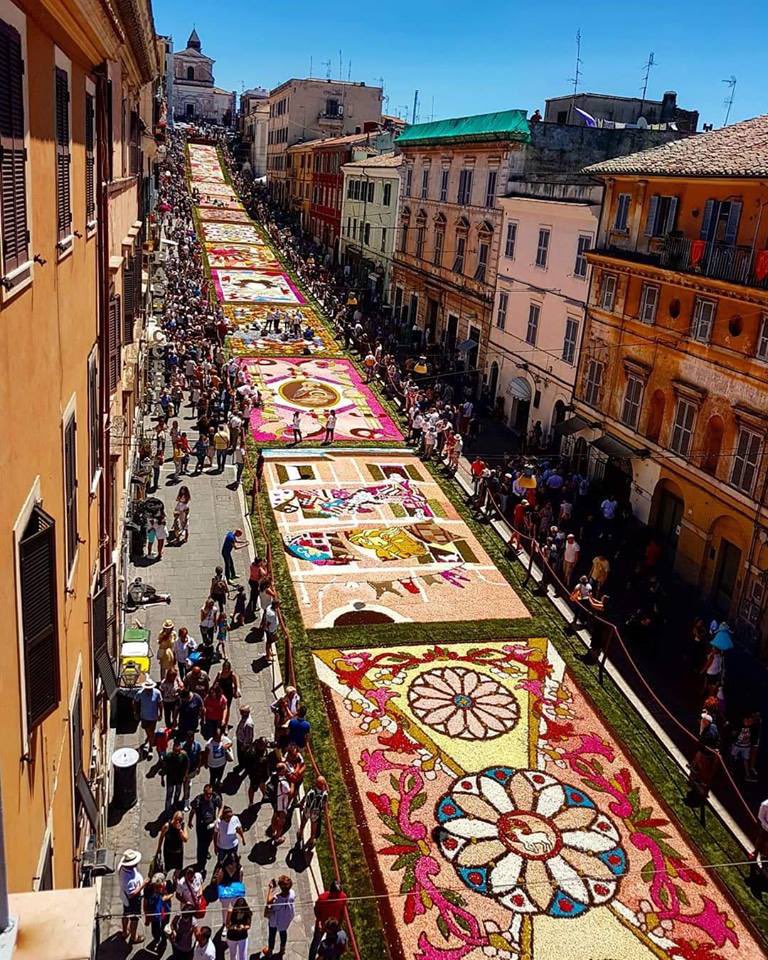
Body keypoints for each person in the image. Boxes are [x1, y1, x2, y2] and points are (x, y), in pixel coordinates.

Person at [309, 880, 348, 960]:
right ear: (331, 891)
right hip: (322, 924)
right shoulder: (322, 898)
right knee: (316, 942)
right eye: (336, 894)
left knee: (330, 944)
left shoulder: (343, 897)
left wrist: (339, 924)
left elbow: (342, 911)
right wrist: (319, 921)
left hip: (333, 926)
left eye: (339, 893)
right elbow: (316, 910)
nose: (338, 895)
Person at [189, 782, 222, 870]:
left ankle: (206, 850)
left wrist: (217, 818)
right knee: (200, 844)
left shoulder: (215, 797)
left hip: (211, 824)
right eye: (207, 794)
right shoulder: (198, 800)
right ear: (204, 792)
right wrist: (190, 821)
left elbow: (221, 806)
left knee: (209, 839)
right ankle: (200, 862)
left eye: (210, 794)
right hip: (201, 825)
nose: (209, 796)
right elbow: (193, 811)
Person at [263, 876, 296, 958]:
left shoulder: (277, 898)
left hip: (275, 919)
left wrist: (270, 889)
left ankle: (270, 951)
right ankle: (282, 950)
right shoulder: (292, 893)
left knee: (272, 934)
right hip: (285, 918)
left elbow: (269, 902)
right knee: (283, 933)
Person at [118, 849, 146, 944]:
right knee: (134, 918)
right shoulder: (129, 880)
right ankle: (134, 937)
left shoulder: (121, 867)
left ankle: (125, 932)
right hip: (133, 900)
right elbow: (131, 895)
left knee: (125, 914)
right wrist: (142, 885)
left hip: (124, 897)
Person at [143, 872, 173, 952]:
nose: (156, 888)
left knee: (165, 927)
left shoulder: (169, 884)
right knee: (155, 929)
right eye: (155, 886)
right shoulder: (148, 889)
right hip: (154, 911)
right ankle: (156, 939)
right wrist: (147, 917)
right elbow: (145, 904)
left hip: (165, 910)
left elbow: (172, 893)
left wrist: (166, 897)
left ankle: (163, 942)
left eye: (158, 886)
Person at [298, 775, 328, 850]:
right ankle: (311, 840)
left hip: (308, 809)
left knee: (303, 822)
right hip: (316, 811)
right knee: (314, 826)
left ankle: (300, 833)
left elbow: (305, 797)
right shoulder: (324, 794)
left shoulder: (311, 791)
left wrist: (301, 803)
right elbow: (324, 804)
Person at [157, 809, 188, 878]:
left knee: (178, 867)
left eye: (180, 820)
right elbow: (161, 837)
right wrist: (159, 849)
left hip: (178, 852)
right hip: (168, 851)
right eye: (177, 819)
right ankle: (165, 874)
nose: (178, 822)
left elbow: (185, 839)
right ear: (174, 818)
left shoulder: (183, 825)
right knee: (167, 866)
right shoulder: (167, 826)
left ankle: (176, 877)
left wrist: (180, 831)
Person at [138, 678, 163, 758]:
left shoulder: (157, 693)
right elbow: (135, 702)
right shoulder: (140, 693)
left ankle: (150, 748)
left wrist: (160, 714)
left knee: (151, 732)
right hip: (144, 717)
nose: (149, 690)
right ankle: (148, 740)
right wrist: (135, 712)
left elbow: (160, 704)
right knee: (149, 732)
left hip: (153, 717)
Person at [163, 738, 190, 812]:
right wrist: (162, 778)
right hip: (170, 779)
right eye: (175, 751)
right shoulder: (168, 756)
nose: (177, 753)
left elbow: (187, 765)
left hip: (179, 779)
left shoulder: (184, 756)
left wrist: (185, 776)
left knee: (177, 793)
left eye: (178, 751)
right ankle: (167, 811)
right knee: (169, 795)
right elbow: (164, 767)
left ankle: (175, 805)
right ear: (173, 749)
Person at [225, 896, 252, 960]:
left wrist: (243, 927)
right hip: (232, 936)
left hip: (242, 936)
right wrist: (234, 927)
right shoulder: (231, 911)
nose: (239, 909)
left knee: (243, 956)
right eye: (238, 906)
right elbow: (227, 925)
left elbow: (248, 925)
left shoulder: (247, 912)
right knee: (233, 955)